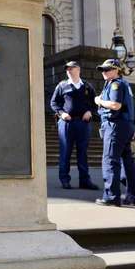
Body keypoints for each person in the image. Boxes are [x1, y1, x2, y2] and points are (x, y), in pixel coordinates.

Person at [94, 59, 135, 207]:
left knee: (110, 160)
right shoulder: (118, 84)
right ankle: (132, 196)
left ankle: (111, 196)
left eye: (107, 69)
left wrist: (99, 102)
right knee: (127, 162)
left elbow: (115, 105)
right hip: (124, 125)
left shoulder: (115, 84)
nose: (103, 72)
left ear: (116, 71)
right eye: (102, 70)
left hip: (116, 126)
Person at [50, 61, 100, 190]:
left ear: (78, 70)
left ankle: (85, 180)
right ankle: (65, 179)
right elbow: (54, 102)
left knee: (82, 152)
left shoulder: (87, 86)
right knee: (65, 152)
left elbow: (95, 102)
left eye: (71, 69)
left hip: (83, 123)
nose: (69, 71)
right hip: (67, 123)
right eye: (67, 69)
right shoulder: (62, 86)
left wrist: (90, 112)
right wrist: (62, 113)